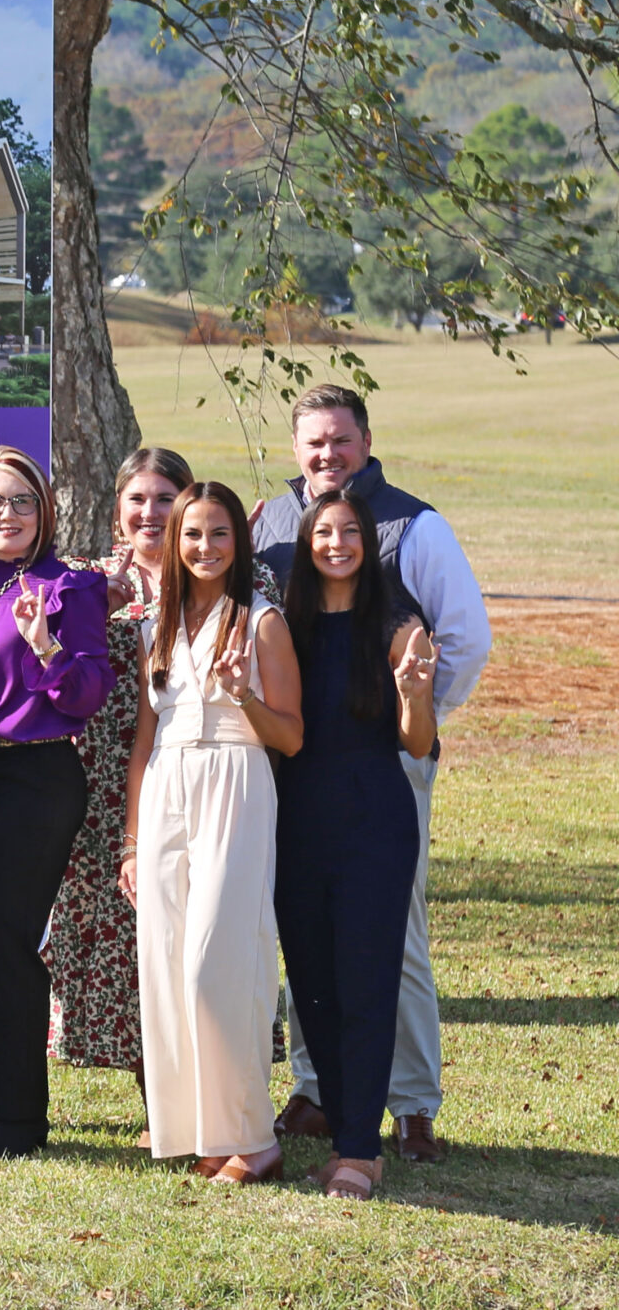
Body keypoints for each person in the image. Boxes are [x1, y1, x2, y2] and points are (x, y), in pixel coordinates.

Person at [254, 383, 488, 1166]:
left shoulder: (415, 525)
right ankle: (319, 1089)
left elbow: (464, 639)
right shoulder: (272, 523)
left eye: (340, 440)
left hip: (386, 763)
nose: (327, 455)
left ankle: (412, 1102)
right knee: (311, 935)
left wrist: (411, 726)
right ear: (297, 450)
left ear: (366, 440)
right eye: (313, 443)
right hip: (295, 765)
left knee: (395, 941)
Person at [0, 447, 115, 1157]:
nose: (8, 514)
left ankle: (20, 1120)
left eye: (23, 502)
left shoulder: (71, 586)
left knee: (7, 942)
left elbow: (89, 697)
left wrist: (45, 647)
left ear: (45, 513)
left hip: (35, 780)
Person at [120, 481, 303, 1185]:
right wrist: (134, 841)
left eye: (218, 533)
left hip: (235, 784)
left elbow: (291, 735)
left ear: (239, 541)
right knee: (166, 965)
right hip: (167, 788)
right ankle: (207, 1128)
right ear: (173, 542)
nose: (204, 546)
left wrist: (243, 694)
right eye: (191, 533)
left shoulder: (261, 622)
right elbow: (144, 741)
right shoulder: (155, 626)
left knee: (218, 964)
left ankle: (255, 1138)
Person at [276, 486, 438, 1200]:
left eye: (350, 531)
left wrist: (415, 692)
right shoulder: (289, 623)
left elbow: (418, 742)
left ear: (369, 542)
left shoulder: (400, 626)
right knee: (313, 985)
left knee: (365, 982)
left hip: (374, 821)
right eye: (323, 531)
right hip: (296, 822)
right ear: (306, 541)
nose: (336, 542)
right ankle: (347, 1128)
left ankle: (359, 1152)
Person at [45, 447, 194, 1124]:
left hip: (193, 780)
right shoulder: (87, 581)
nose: (151, 511)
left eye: (166, 497)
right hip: (101, 792)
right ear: (117, 510)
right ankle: (160, 1101)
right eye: (138, 498)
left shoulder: (219, 577)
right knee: (127, 947)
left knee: (194, 940)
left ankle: (210, 1094)